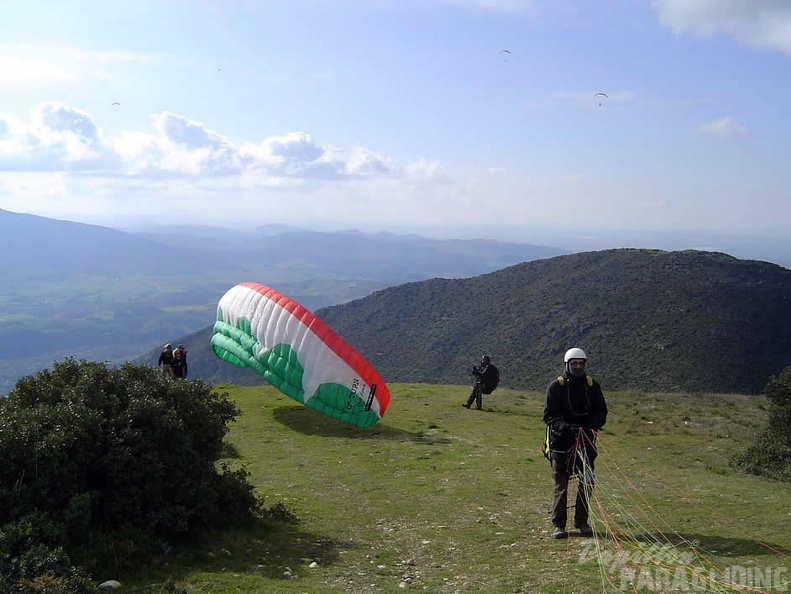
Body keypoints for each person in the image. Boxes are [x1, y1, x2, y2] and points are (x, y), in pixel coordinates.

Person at [543, 347, 607, 539]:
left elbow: (601, 412)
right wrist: (566, 428)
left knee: (587, 483)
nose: (578, 367)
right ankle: (559, 525)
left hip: (586, 445)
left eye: (581, 363)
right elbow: (549, 416)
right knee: (561, 484)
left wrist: (591, 427)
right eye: (574, 364)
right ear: (567, 365)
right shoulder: (556, 387)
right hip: (561, 445)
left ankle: (581, 521)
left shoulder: (593, 387)